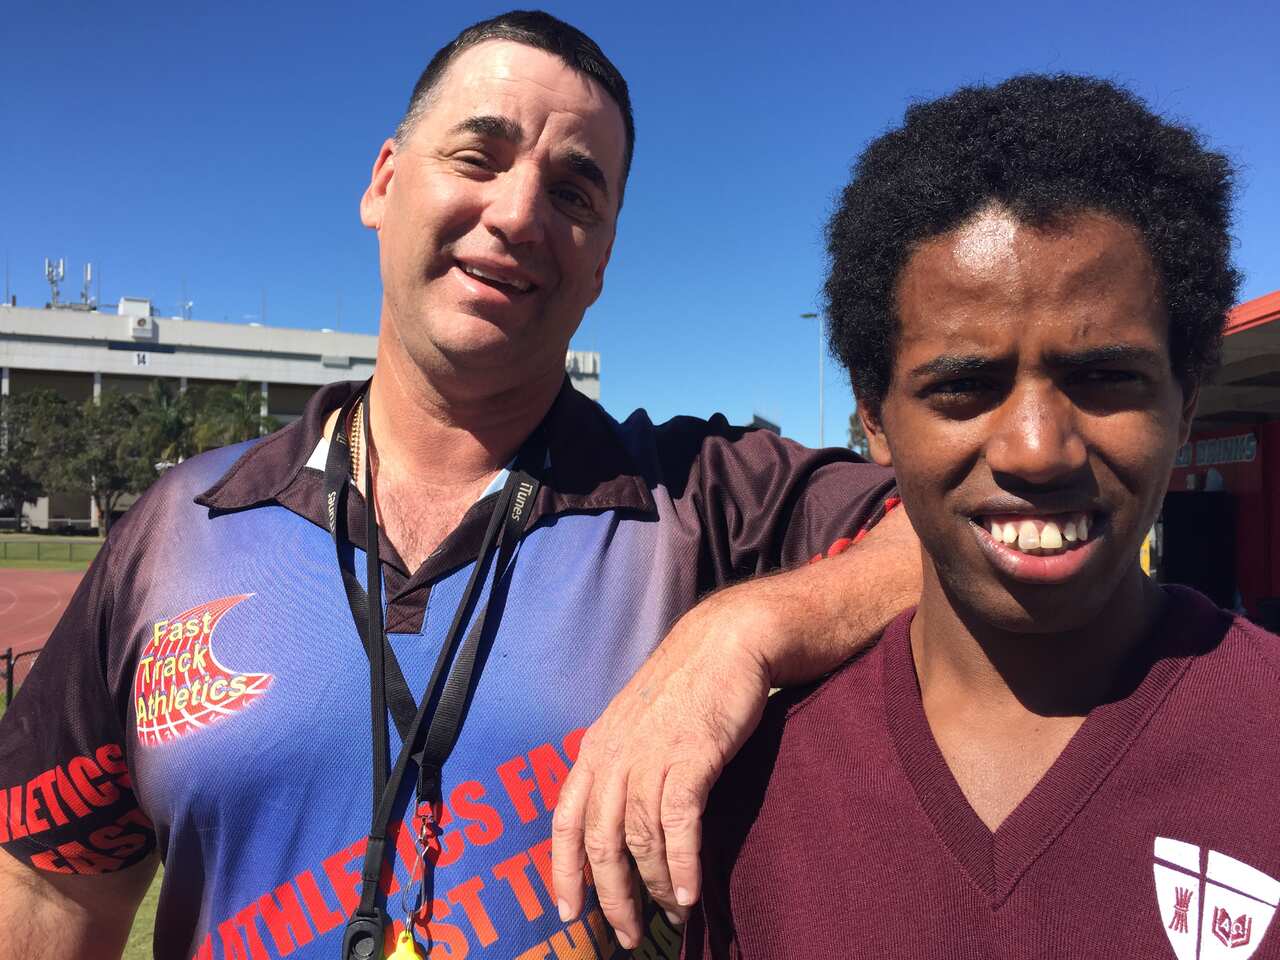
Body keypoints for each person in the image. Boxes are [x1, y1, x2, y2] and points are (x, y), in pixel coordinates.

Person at [0, 11, 921, 959]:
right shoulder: (181, 522)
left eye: (573, 193)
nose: (520, 214)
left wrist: (740, 630)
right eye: (480, 157)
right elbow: (47, 888)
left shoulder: (699, 500)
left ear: (601, 260)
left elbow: (957, 527)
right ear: (385, 182)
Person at [681, 74, 1280, 958]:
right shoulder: (754, 791)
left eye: (1106, 377)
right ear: (874, 420)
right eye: (963, 385)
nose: (1038, 450)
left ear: (1185, 402)